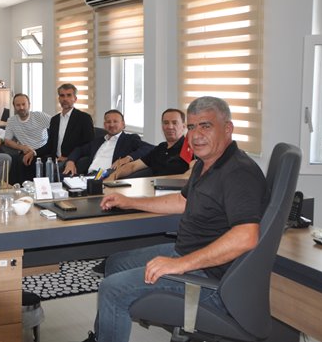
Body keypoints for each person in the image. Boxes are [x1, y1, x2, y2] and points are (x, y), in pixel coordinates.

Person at [79, 96, 268, 342]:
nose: (196, 135)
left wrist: (180, 265)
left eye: (206, 126)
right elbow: (182, 201)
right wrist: (129, 202)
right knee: (115, 263)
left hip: (209, 278)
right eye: (192, 127)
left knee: (112, 289)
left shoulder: (238, 171)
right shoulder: (205, 163)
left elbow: (246, 236)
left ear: (228, 128)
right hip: (187, 252)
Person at [106, 108, 191, 181]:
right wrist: (113, 176)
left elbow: (192, 173)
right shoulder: (160, 148)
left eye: (175, 123)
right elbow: (133, 166)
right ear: (162, 126)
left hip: (176, 191)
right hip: (153, 189)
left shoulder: (189, 148)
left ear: (184, 126)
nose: (170, 127)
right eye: (166, 123)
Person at [64, 109, 152, 176]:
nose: (111, 125)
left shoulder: (129, 139)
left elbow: (149, 148)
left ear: (123, 124)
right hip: (88, 176)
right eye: (108, 122)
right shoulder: (98, 141)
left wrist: (128, 158)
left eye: (115, 121)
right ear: (104, 125)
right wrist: (70, 161)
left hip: (108, 177)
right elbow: (79, 150)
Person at [26, 83, 94, 168]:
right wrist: (33, 152)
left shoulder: (84, 118)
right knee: (30, 163)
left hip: (73, 160)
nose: (65, 99)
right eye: (62, 96)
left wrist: (70, 158)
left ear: (75, 99)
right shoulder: (55, 120)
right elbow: (50, 145)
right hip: (55, 159)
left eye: (69, 95)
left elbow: (89, 145)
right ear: (59, 99)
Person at [3, 93, 51, 182]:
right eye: (18, 105)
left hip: (43, 151)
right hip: (25, 151)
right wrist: (22, 147)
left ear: (29, 105)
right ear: (14, 107)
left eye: (23, 104)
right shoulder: (11, 121)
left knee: (36, 162)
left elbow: (56, 126)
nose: (21, 107)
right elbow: (7, 141)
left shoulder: (40, 116)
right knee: (17, 162)